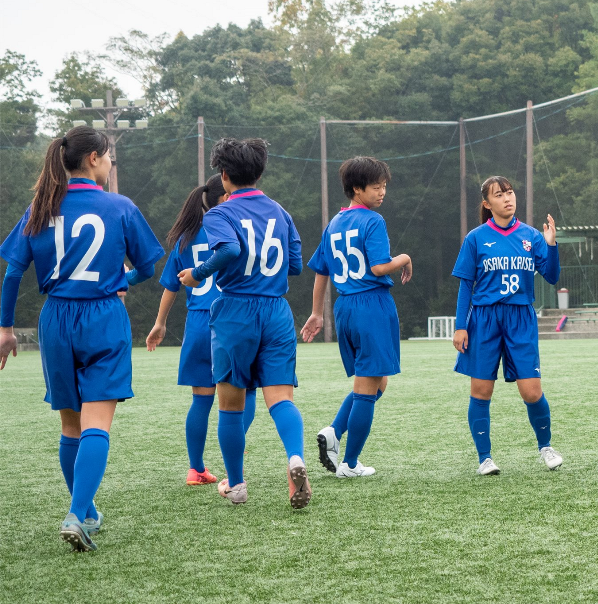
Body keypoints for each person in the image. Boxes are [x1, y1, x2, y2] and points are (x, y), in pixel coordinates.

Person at [0, 125, 164, 551]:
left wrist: (5, 330)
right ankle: (76, 514)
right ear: (93, 158)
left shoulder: (40, 207)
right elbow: (147, 267)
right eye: (109, 157)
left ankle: (87, 512)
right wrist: (122, 281)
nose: (110, 164)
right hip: (103, 316)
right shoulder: (120, 206)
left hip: (56, 319)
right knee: (97, 424)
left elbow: (13, 272)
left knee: (70, 425)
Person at [180, 137, 308, 508]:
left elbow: (231, 249)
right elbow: (295, 265)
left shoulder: (219, 214)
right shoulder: (281, 212)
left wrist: (198, 274)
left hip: (235, 310)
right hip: (276, 310)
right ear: (260, 172)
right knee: (280, 399)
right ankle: (295, 458)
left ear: (224, 174)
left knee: (231, 405)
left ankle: (236, 485)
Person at [302, 157, 412, 478]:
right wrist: (404, 258)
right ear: (356, 189)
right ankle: (349, 464)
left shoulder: (334, 223)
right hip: (371, 305)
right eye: (376, 187)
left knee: (377, 382)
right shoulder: (373, 220)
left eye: (384, 186)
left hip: (344, 308)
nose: (382, 192)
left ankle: (335, 431)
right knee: (366, 387)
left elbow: (321, 272)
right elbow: (379, 268)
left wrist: (316, 313)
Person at [451, 176, 561, 475]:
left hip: (520, 318)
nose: (507, 198)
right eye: (499, 195)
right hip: (484, 319)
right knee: (481, 390)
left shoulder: (531, 236)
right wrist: (461, 326)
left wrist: (551, 244)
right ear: (487, 203)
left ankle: (546, 447)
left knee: (532, 391)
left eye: (510, 192)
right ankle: (485, 458)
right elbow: (466, 285)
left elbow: (552, 276)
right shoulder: (475, 238)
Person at [146, 174, 248, 486]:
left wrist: (160, 322)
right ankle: (232, 458)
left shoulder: (185, 238)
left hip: (197, 324)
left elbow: (171, 285)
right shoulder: (233, 229)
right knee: (245, 394)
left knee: (201, 401)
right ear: (224, 197)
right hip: (229, 318)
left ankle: (196, 469)